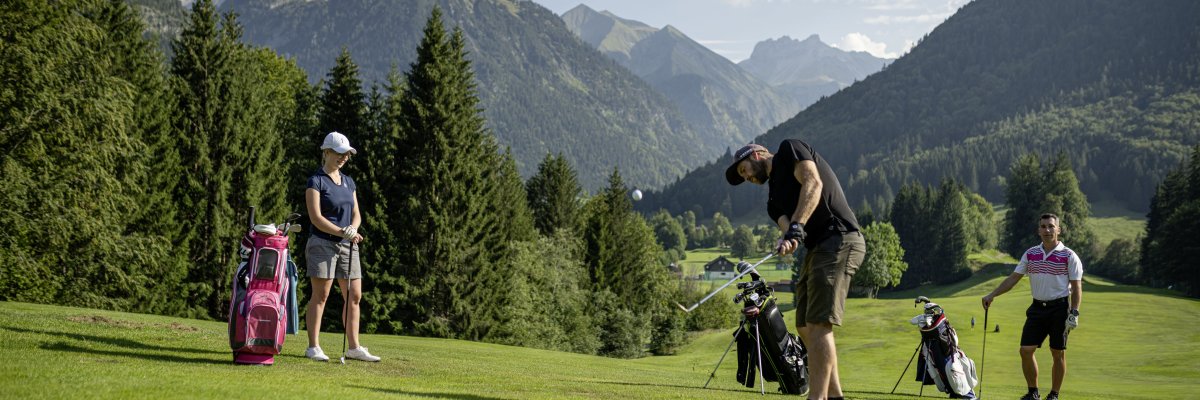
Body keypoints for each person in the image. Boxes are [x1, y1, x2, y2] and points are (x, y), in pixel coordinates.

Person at [726, 141, 865, 400]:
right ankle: (835, 396)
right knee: (803, 325)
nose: (747, 177)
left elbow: (813, 183)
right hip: (816, 249)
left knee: (817, 322)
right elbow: (787, 228)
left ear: (756, 155)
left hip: (840, 237)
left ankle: (818, 397)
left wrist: (796, 228)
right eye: (743, 176)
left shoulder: (789, 151)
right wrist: (786, 239)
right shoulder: (772, 202)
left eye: (744, 170)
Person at [982, 213, 1083, 400]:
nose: (1047, 230)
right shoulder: (1031, 254)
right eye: (1043, 226)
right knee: (1025, 350)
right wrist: (992, 294)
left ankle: (1054, 395)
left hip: (1059, 309)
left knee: (1057, 352)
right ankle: (1033, 392)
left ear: (1058, 229)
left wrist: (1074, 312)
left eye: (1051, 226)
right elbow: (1013, 279)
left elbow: (1077, 287)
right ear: (1038, 230)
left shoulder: (1069, 255)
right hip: (1037, 308)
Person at [303, 131, 380, 362]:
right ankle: (313, 347)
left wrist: (352, 230)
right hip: (322, 243)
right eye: (338, 153)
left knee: (354, 295)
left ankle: (354, 348)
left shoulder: (349, 181)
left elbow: (356, 214)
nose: (343, 157)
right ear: (326, 152)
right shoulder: (315, 181)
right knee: (321, 294)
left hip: (348, 244)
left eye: (346, 154)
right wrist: (341, 231)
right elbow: (316, 217)